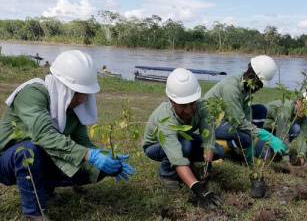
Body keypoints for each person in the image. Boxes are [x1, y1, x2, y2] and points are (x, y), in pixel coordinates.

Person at [0, 50, 135, 221]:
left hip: (39, 157)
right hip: (6, 160)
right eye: (78, 92)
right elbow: (44, 135)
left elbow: (82, 142)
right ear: (62, 86)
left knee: (97, 169)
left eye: (85, 93)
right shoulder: (33, 93)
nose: (82, 99)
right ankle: (34, 214)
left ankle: (44, 188)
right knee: (28, 151)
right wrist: (88, 155)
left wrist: (105, 156)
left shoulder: (72, 109)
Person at [143, 68, 224, 209]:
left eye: (192, 103)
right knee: (184, 145)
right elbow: (177, 158)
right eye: (183, 105)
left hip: (183, 138)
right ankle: (167, 175)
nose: (189, 110)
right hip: (155, 146)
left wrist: (207, 163)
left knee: (218, 150)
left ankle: (189, 168)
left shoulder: (202, 106)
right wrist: (199, 189)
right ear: (171, 101)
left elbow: (208, 135)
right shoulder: (166, 118)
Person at [204, 55, 286, 163]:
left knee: (260, 110)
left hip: (227, 118)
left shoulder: (246, 85)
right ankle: (220, 147)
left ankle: (242, 146)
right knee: (245, 138)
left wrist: (254, 140)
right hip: (212, 123)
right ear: (252, 76)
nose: (260, 88)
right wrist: (267, 136)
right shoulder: (231, 88)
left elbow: (246, 114)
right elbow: (239, 122)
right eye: (260, 84)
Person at [258, 89, 307, 165]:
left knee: (296, 128)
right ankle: (270, 149)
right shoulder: (285, 108)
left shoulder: (305, 116)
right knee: (264, 155)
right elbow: (282, 133)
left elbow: (303, 136)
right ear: (298, 101)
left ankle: (277, 150)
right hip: (262, 126)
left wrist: (301, 155)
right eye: (305, 108)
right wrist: (286, 160)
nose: (306, 113)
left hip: (277, 129)